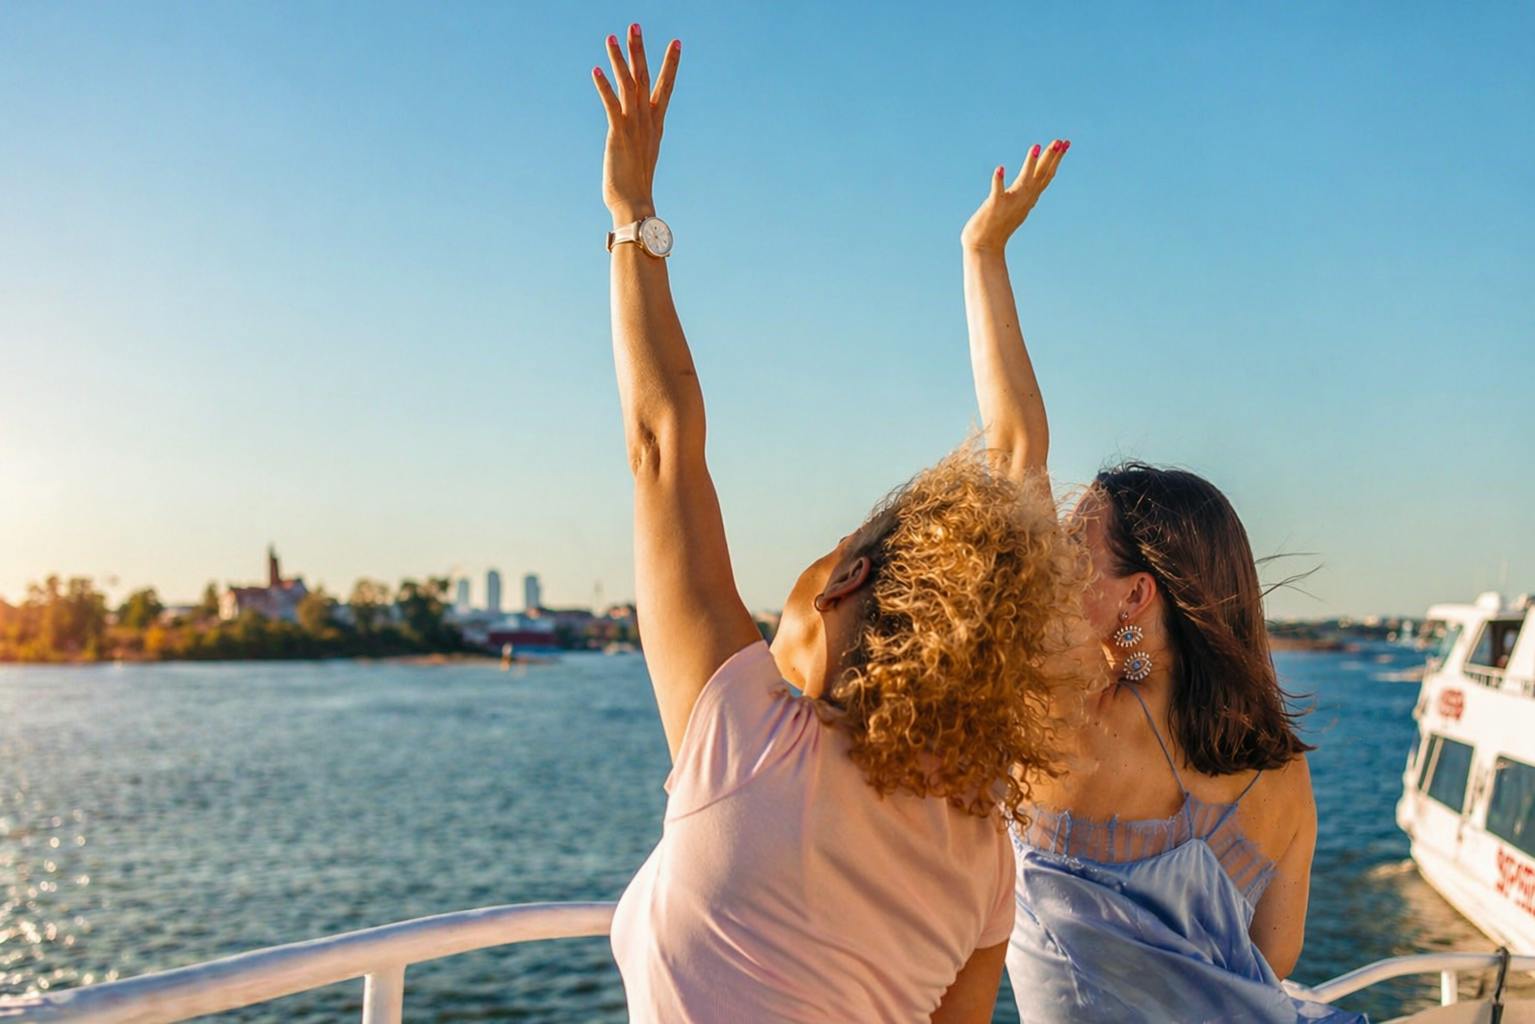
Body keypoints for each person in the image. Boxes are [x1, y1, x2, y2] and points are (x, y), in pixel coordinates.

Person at [590, 26, 1093, 1023]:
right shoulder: (980, 852)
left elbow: (661, 442)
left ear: (841, 585)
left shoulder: (742, 738)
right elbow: (1015, 483)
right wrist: (979, 254)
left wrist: (631, 217)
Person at [961, 143, 1362, 1022]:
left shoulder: (1055, 721)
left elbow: (1011, 449)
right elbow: (1273, 960)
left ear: (1135, 595)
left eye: (1072, 548)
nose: (1049, 559)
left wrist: (981, 254)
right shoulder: (1282, 774)